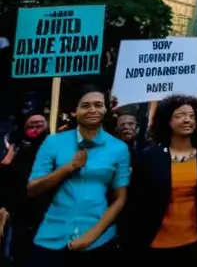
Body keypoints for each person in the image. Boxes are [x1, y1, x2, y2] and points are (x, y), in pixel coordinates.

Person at [27, 85, 130, 263]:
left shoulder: (119, 148)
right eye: (85, 105)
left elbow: (120, 198)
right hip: (52, 238)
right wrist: (69, 167)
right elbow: (32, 189)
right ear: (75, 111)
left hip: (98, 241)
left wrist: (92, 235)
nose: (92, 110)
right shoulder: (53, 142)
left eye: (98, 105)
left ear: (105, 109)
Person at [128, 95, 197, 262]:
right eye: (180, 116)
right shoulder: (150, 158)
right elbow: (137, 201)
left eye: (191, 116)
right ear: (167, 121)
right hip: (156, 243)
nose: (187, 120)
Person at [2, 114, 48, 264]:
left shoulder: (53, 149)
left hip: (47, 213)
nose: (35, 129)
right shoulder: (17, 150)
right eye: (30, 126)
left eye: (39, 125)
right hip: (20, 214)